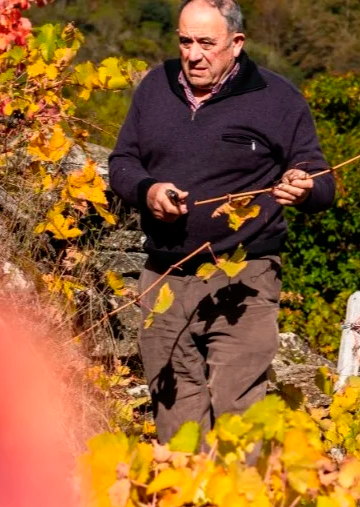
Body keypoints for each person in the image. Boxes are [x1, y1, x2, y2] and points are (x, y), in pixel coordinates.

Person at [109, 0, 335, 444]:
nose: (193, 54)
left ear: (236, 44)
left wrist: (303, 185)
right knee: (175, 419)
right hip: (164, 275)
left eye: (206, 43)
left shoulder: (278, 98)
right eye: (185, 41)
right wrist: (148, 190)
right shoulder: (156, 86)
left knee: (239, 422)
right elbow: (123, 161)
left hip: (243, 279)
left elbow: (321, 182)